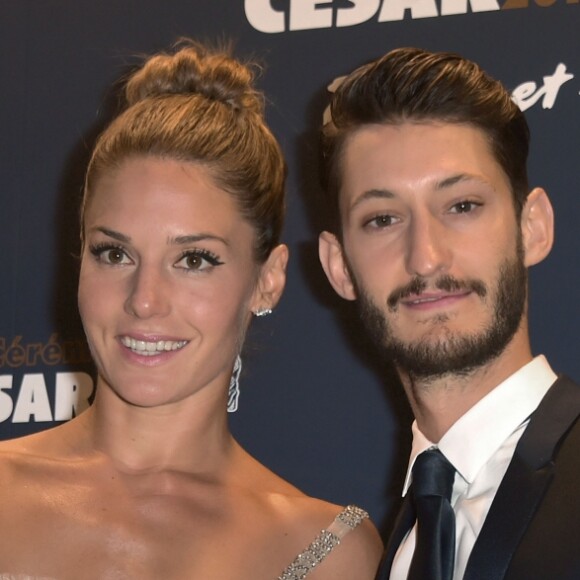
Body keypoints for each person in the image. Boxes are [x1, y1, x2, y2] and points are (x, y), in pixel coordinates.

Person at [0, 41, 383, 579]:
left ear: (267, 280)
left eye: (194, 259)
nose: (145, 299)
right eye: (115, 253)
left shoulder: (326, 551)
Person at [317, 47, 580, 580]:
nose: (426, 256)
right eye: (383, 218)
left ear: (533, 227)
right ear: (339, 266)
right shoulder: (402, 542)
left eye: (462, 206)